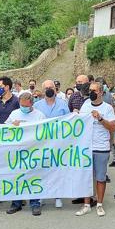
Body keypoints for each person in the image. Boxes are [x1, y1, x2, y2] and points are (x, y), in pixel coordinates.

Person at [75, 81, 115, 217]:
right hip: (86, 147)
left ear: (101, 92)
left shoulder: (107, 108)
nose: (92, 93)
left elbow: (113, 127)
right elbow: (79, 124)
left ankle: (99, 204)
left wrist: (100, 118)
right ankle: (87, 204)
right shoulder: (85, 105)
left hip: (101, 147)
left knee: (100, 177)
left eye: (94, 90)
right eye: (90, 90)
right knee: (86, 176)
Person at [6, 92, 47, 216]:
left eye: (26, 105)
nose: (23, 107)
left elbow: (45, 132)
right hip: (17, 152)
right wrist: (12, 126)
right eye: (21, 105)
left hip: (33, 152)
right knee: (17, 178)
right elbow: (4, 129)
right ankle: (16, 203)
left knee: (33, 178)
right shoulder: (14, 114)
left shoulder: (39, 115)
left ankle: (35, 204)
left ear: (31, 104)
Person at [34, 79, 70, 208]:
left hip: (58, 142)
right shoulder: (37, 105)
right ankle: (42, 195)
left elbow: (68, 122)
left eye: (51, 87)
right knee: (42, 169)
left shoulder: (63, 104)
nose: (49, 89)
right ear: (43, 90)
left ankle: (57, 196)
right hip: (41, 143)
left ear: (55, 89)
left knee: (56, 170)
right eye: (46, 88)